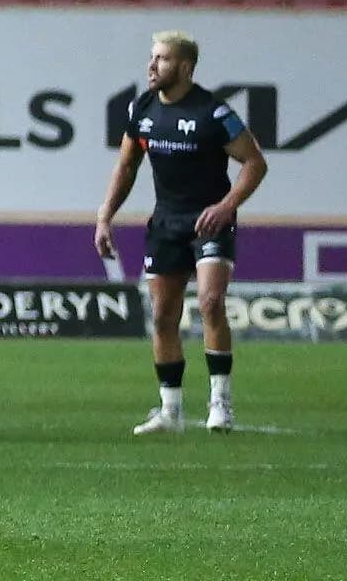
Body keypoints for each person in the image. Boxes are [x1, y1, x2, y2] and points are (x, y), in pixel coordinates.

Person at [95, 27, 267, 436]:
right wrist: (105, 216)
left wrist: (226, 206)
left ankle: (220, 403)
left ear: (185, 67)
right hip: (166, 223)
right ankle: (170, 411)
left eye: (163, 59)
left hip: (209, 220)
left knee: (210, 302)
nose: (152, 65)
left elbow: (255, 163)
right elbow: (126, 167)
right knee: (163, 316)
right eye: (152, 57)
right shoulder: (142, 110)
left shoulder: (213, 113)